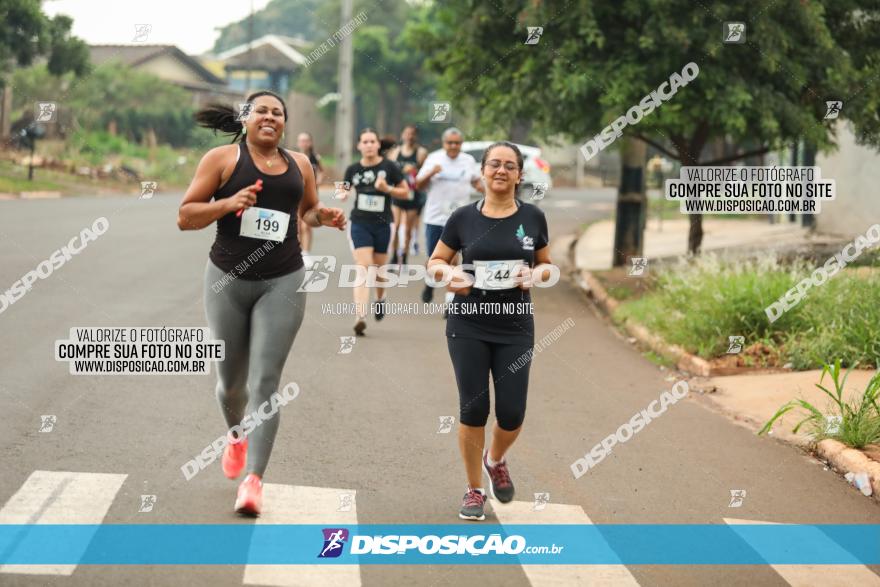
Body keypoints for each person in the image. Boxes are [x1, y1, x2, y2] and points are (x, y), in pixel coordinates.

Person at [178, 90, 346, 516]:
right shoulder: (222, 160)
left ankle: (253, 481)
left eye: (278, 112)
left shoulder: (301, 165)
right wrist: (228, 204)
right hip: (227, 281)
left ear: (284, 123)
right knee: (230, 384)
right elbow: (186, 217)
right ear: (247, 119)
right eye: (262, 111)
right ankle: (236, 435)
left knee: (265, 382)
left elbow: (306, 212)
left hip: (283, 280)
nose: (270, 117)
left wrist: (321, 217)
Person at [427, 141, 554, 521]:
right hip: (468, 322)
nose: (501, 171)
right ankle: (473, 489)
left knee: (512, 412)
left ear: (519, 175)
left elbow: (548, 265)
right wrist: (450, 275)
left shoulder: (533, 218)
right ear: (482, 172)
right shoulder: (463, 218)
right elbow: (435, 261)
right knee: (474, 407)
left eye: (509, 166)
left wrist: (535, 274)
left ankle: (495, 458)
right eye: (494, 164)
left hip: (515, 324)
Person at [340, 128, 409, 335]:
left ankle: (380, 297)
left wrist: (387, 189)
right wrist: (342, 193)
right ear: (359, 146)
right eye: (365, 142)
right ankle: (360, 316)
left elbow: (406, 192)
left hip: (383, 224)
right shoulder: (352, 169)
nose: (369, 145)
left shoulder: (390, 167)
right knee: (363, 266)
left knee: (379, 269)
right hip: (360, 222)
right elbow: (342, 188)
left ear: (378, 145)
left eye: (372, 141)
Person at [416, 127, 482, 306]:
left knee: (454, 259)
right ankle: (430, 283)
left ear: (461, 144)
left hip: (460, 219)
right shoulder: (434, 158)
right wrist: (431, 172)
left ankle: (449, 302)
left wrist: (490, 193)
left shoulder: (468, 161)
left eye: (457, 143)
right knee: (434, 259)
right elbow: (418, 185)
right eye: (450, 143)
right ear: (444, 143)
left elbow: (476, 181)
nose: (453, 146)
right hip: (435, 218)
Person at [387, 125, 428, 267]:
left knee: (408, 229)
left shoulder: (421, 153)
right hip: (398, 193)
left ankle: (404, 257)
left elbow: (425, 172)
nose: (409, 136)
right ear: (402, 135)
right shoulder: (395, 152)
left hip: (413, 196)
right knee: (396, 226)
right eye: (407, 133)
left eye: (412, 134)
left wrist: (415, 170)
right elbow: (389, 171)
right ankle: (393, 256)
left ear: (415, 136)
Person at [296, 132, 325, 264]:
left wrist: (317, 181)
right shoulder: (293, 157)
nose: (304, 143)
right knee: (297, 226)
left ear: (311, 143)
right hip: (296, 195)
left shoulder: (315, 158)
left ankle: (306, 253)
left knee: (306, 225)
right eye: (301, 141)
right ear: (298, 143)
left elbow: (322, 171)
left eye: (306, 140)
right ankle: (298, 252)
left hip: (311, 195)